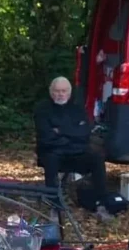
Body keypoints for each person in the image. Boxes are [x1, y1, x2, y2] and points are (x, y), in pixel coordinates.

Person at [33, 76, 113, 221]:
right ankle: (55, 207)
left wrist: (60, 131)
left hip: (76, 153)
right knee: (51, 159)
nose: (60, 94)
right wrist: (71, 133)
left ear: (69, 92)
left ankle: (101, 204)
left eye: (63, 91)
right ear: (51, 92)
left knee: (96, 158)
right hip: (52, 152)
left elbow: (84, 133)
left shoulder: (77, 109)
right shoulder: (42, 110)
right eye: (57, 91)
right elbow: (46, 137)